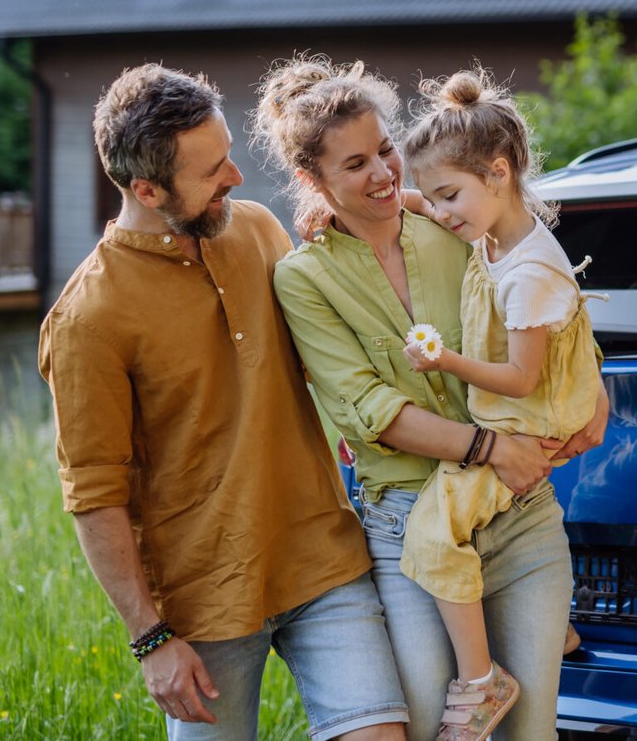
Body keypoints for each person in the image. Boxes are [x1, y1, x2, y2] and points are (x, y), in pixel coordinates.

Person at [39, 64, 407, 741]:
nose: (235, 176)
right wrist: (150, 639)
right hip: (203, 601)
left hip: (322, 558)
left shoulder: (259, 230)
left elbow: (339, 347)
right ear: (147, 189)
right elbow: (94, 494)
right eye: (211, 172)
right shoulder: (88, 318)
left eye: (228, 153)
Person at [255, 55, 608, 741]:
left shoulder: (449, 221)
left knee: (529, 731)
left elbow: (542, 297)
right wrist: (493, 446)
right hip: (412, 529)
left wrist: (597, 384)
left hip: (519, 515)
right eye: (354, 165)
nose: (384, 173)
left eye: (384, 149)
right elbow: (371, 411)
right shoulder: (304, 279)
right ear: (312, 180)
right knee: (428, 725)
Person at [394, 69, 604, 741]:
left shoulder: (530, 271)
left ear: (500, 171)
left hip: (522, 418)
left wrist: (443, 360)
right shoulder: (493, 230)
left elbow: (518, 377)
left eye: (450, 194)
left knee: (431, 534)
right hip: (516, 416)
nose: (442, 211)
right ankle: (551, 622)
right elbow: (431, 205)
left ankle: (481, 682)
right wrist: (380, 200)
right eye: (434, 197)